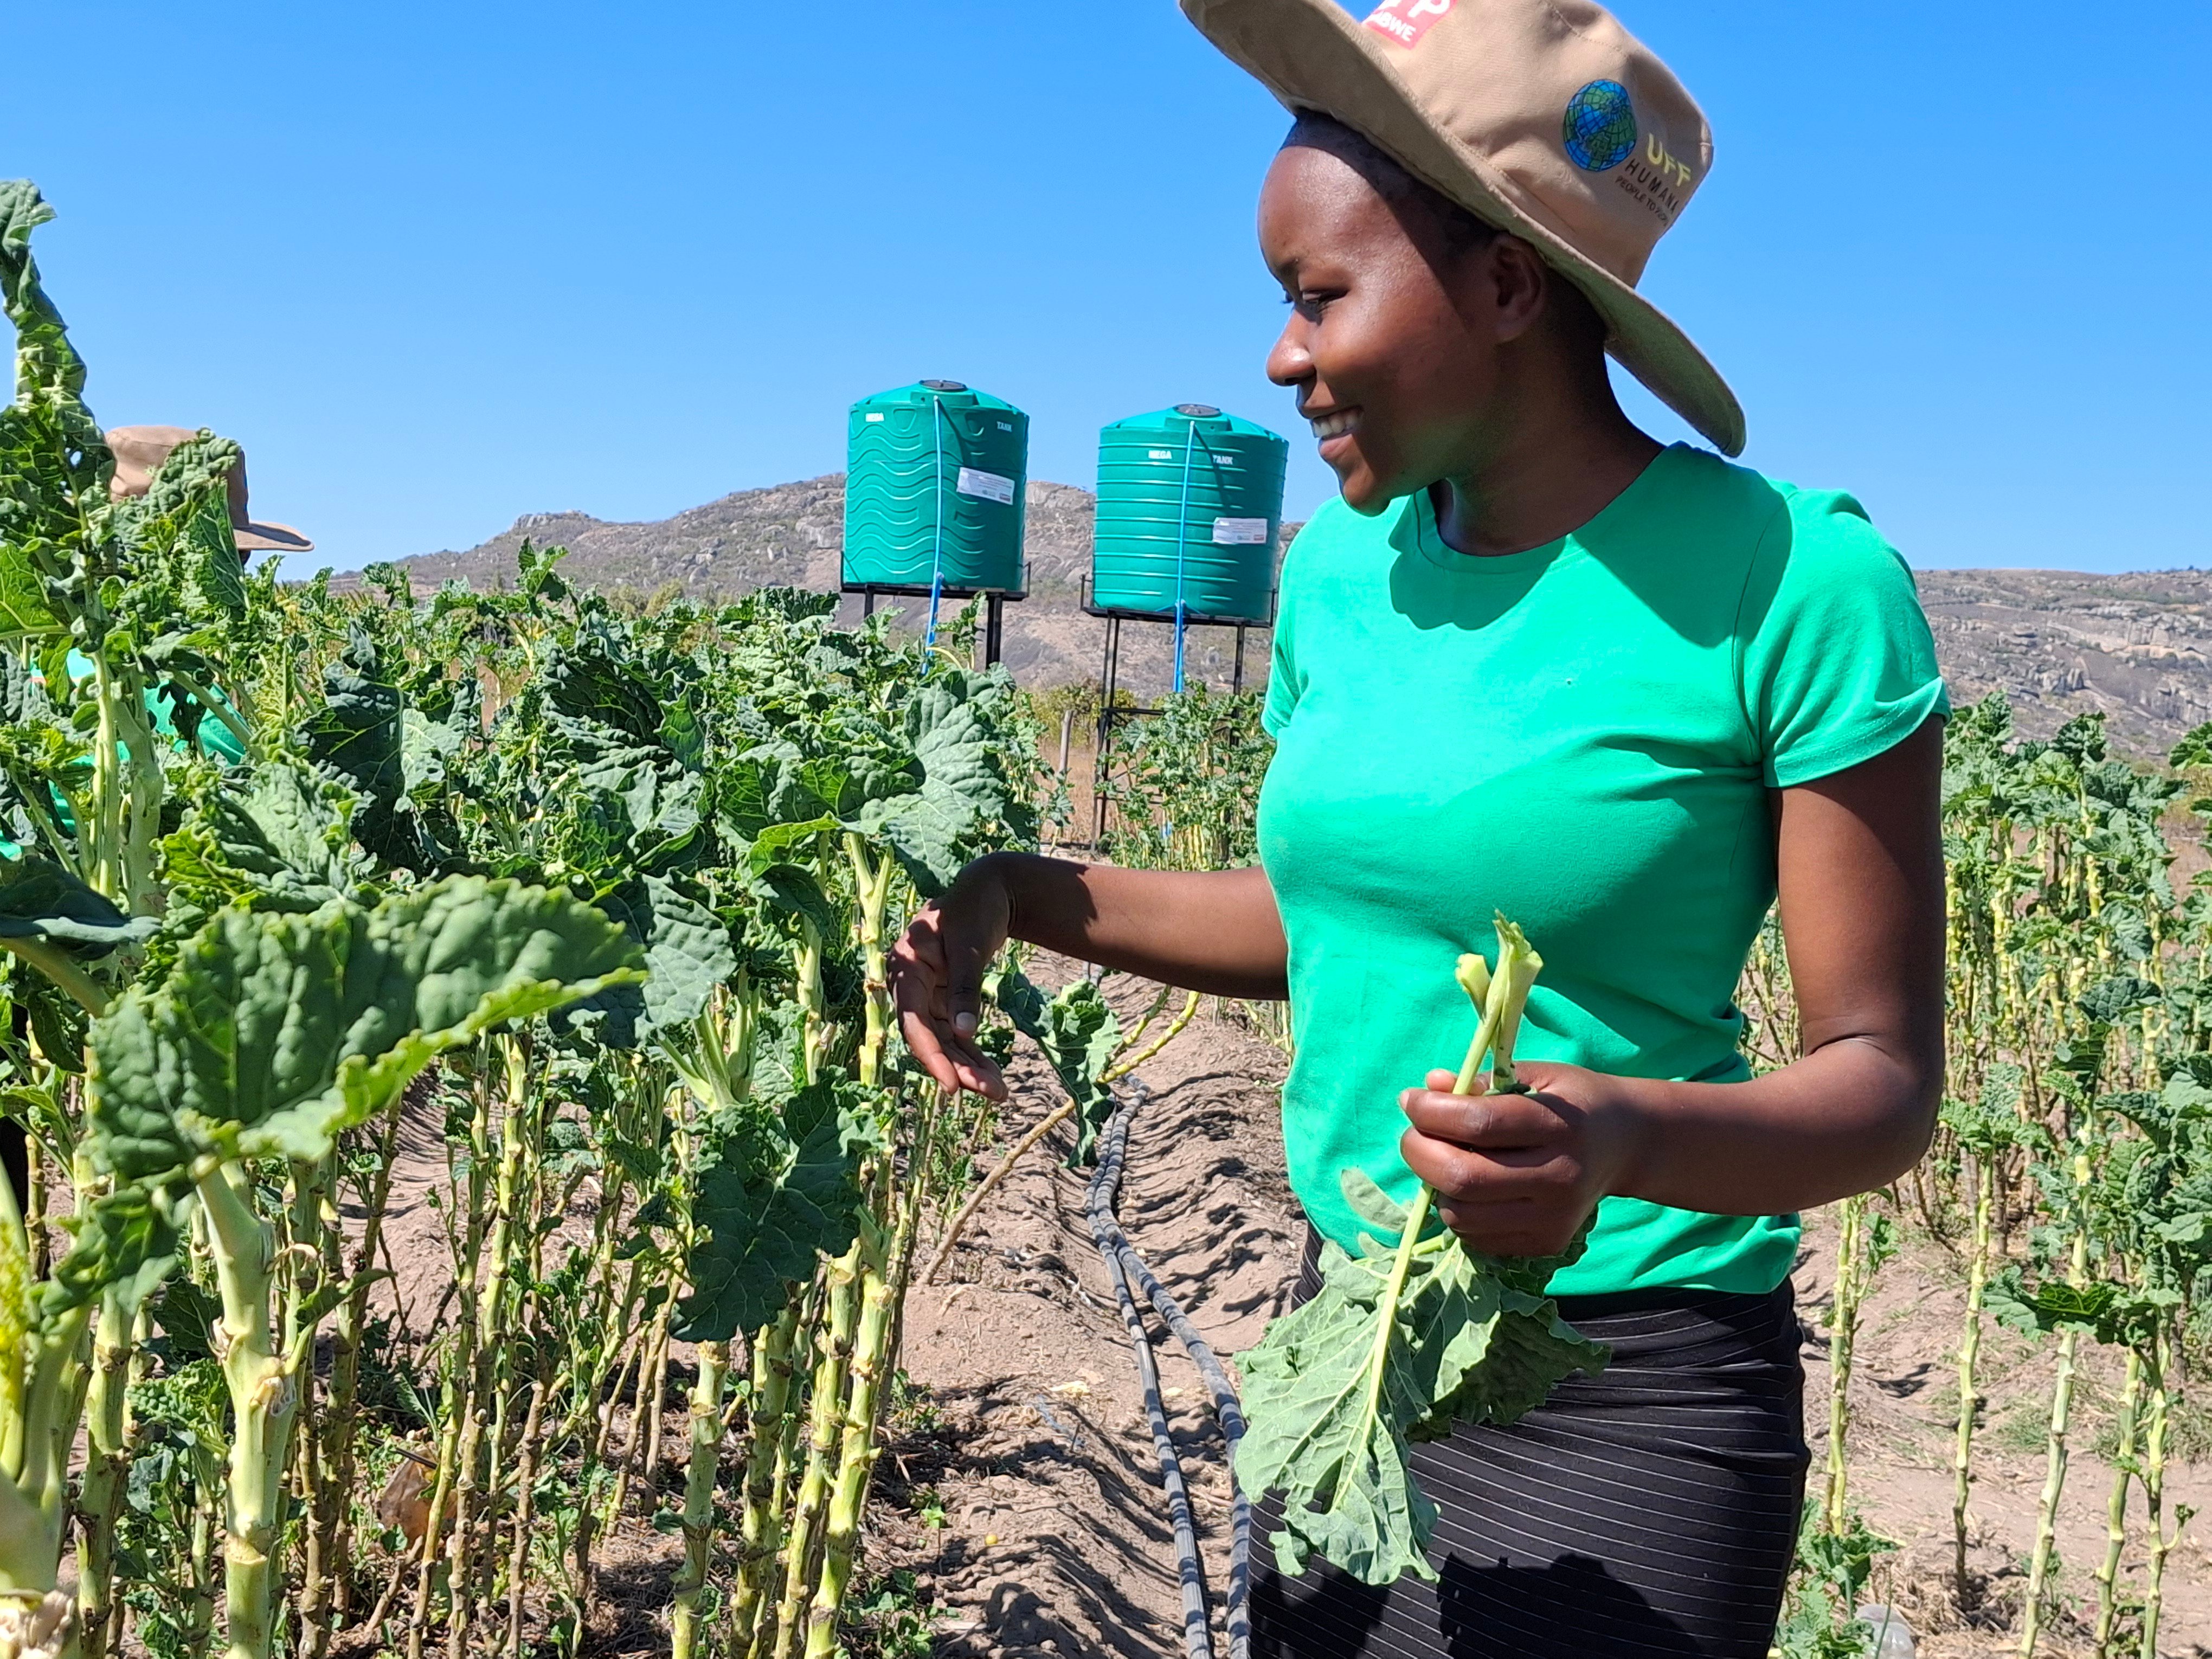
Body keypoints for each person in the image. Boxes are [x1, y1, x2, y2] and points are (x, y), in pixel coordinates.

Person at [890, 0, 1947, 1653]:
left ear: (1510, 287)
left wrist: (1617, 1138)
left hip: (1627, 1385)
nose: (1281, 355)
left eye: (1319, 296)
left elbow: (1882, 1076)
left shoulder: (1792, 582)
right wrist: (1022, 895)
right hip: (1353, 1343)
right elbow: (1329, 920)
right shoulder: (1338, 570)